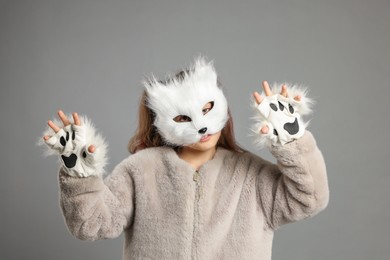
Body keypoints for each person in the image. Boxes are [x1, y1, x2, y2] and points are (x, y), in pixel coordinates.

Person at [41, 57, 329, 260]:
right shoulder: (140, 171)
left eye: (208, 108)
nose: (201, 126)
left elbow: (310, 199)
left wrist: (291, 141)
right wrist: (80, 175)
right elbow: (90, 225)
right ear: (161, 121)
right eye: (182, 117)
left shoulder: (250, 174)